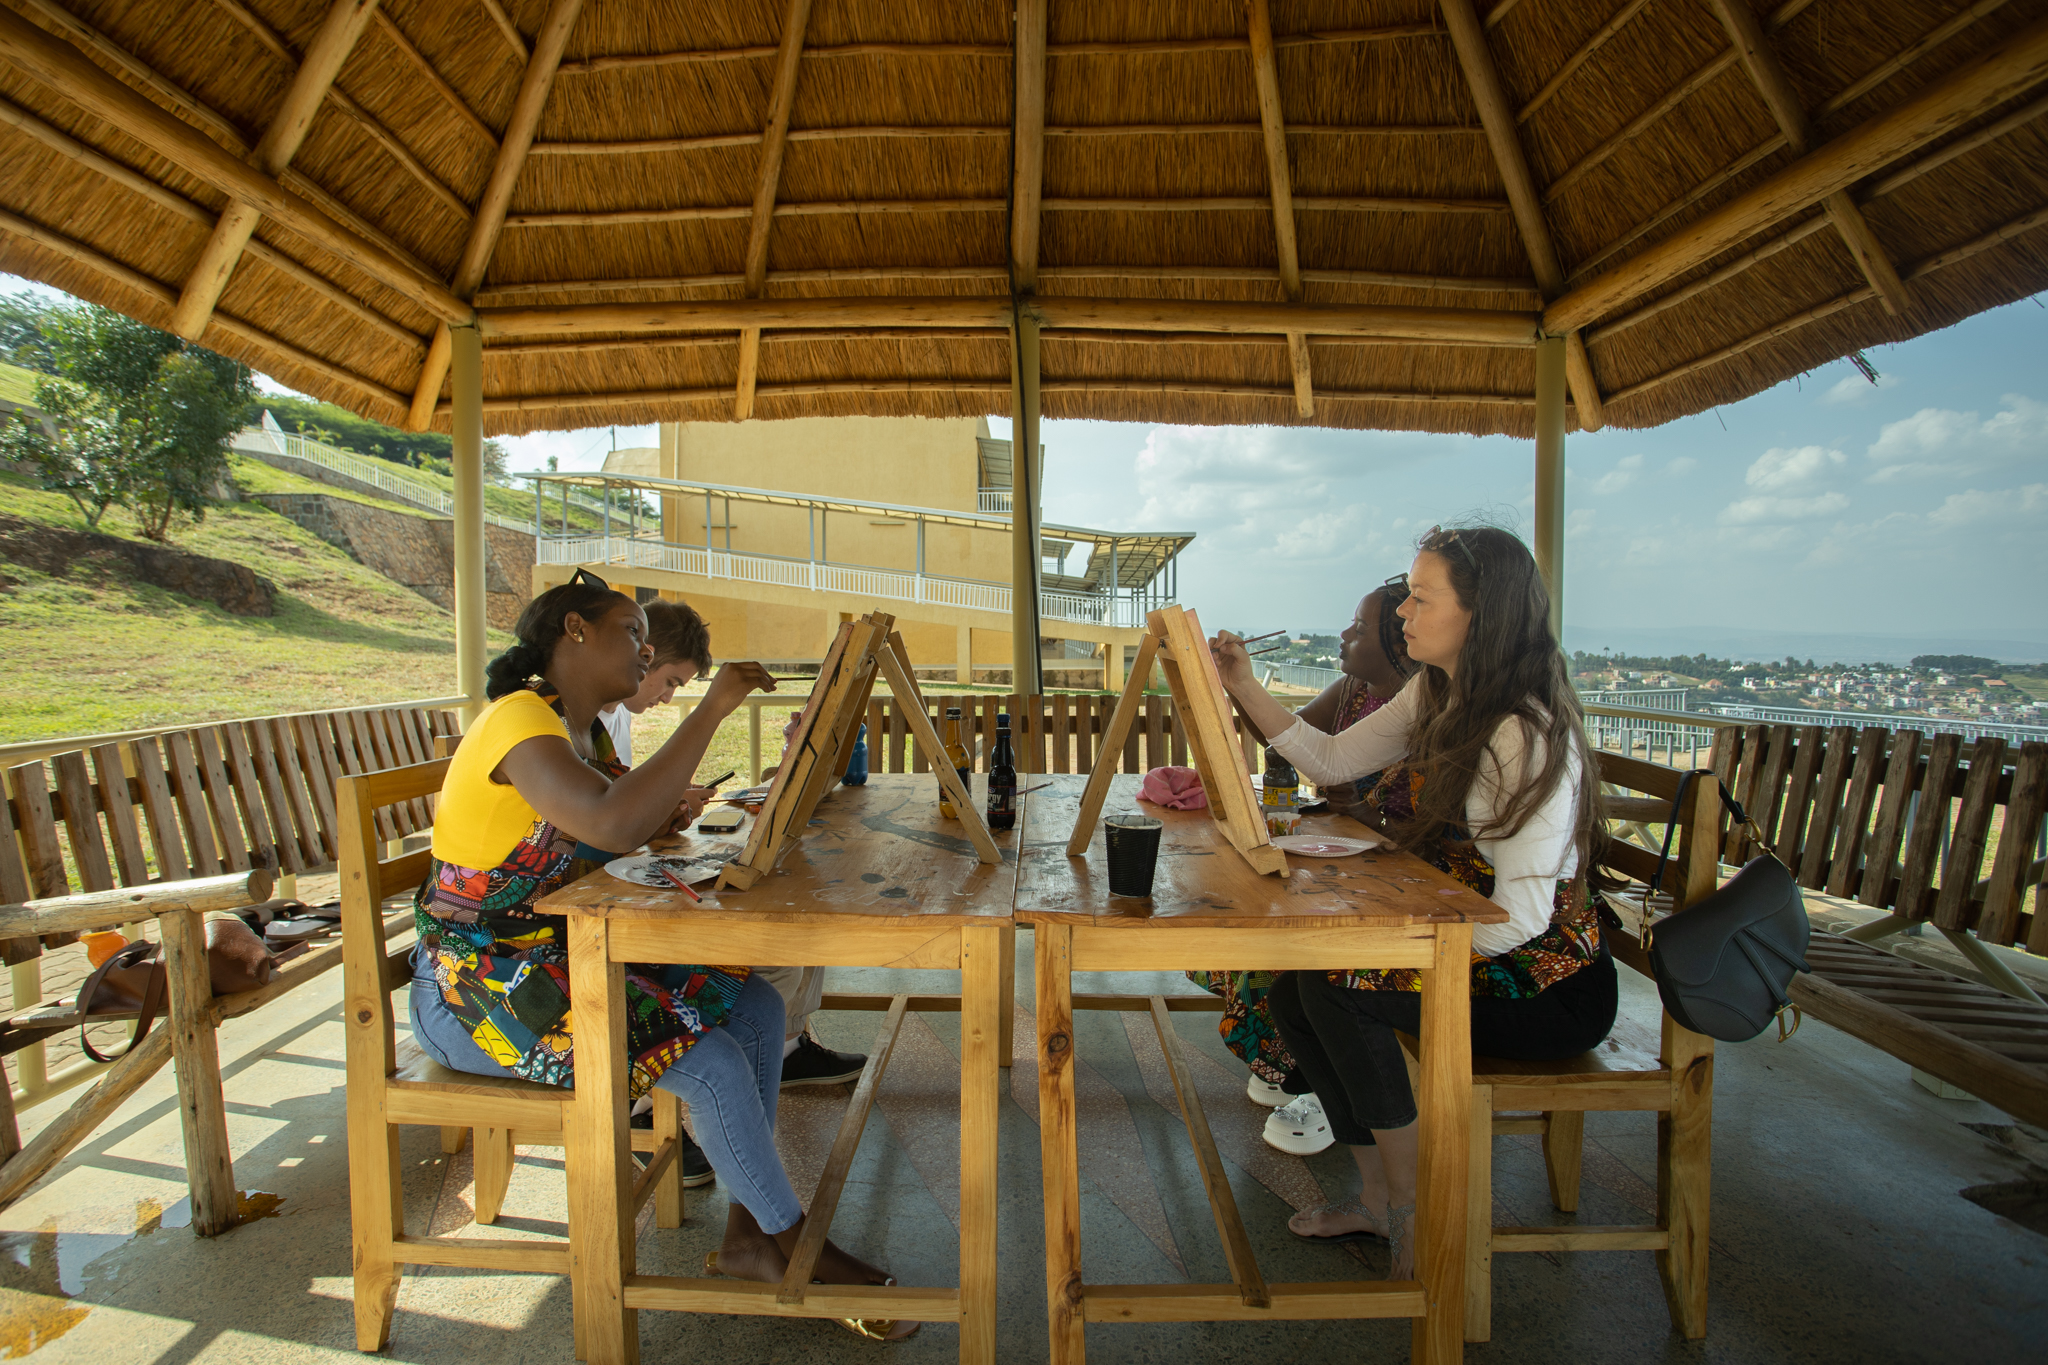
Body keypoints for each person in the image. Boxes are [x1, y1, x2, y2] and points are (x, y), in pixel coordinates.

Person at [409, 574, 916, 1339]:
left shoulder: (588, 734)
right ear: (573, 630)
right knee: (706, 1058)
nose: (645, 648)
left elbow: (624, 825)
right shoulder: (519, 720)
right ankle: (794, 1241)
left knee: (757, 1003)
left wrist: (664, 807)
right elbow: (610, 824)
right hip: (471, 992)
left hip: (557, 964)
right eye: (630, 631)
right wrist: (713, 708)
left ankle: (749, 1232)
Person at [1209, 525, 1615, 1280]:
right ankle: (1374, 1193)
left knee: (1340, 986)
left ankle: (1414, 1205)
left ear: (1480, 615)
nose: (1403, 612)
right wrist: (1240, 682)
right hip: (1476, 939)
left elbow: (1523, 922)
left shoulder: (1519, 732)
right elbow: (1330, 756)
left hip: (1545, 980)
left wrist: (1390, 949)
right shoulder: (1440, 690)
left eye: (1423, 598)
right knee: (1301, 990)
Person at [1187, 576, 1416, 1157]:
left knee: (1288, 939)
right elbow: (1301, 745)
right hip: (1364, 859)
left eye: (1359, 628)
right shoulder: (1354, 690)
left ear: (1398, 642)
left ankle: (1311, 1077)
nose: (1344, 634)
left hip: (1406, 877)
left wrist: (1358, 807)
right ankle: (1295, 1067)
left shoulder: (1430, 704)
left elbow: (1423, 829)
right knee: (1254, 916)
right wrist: (1235, 685)